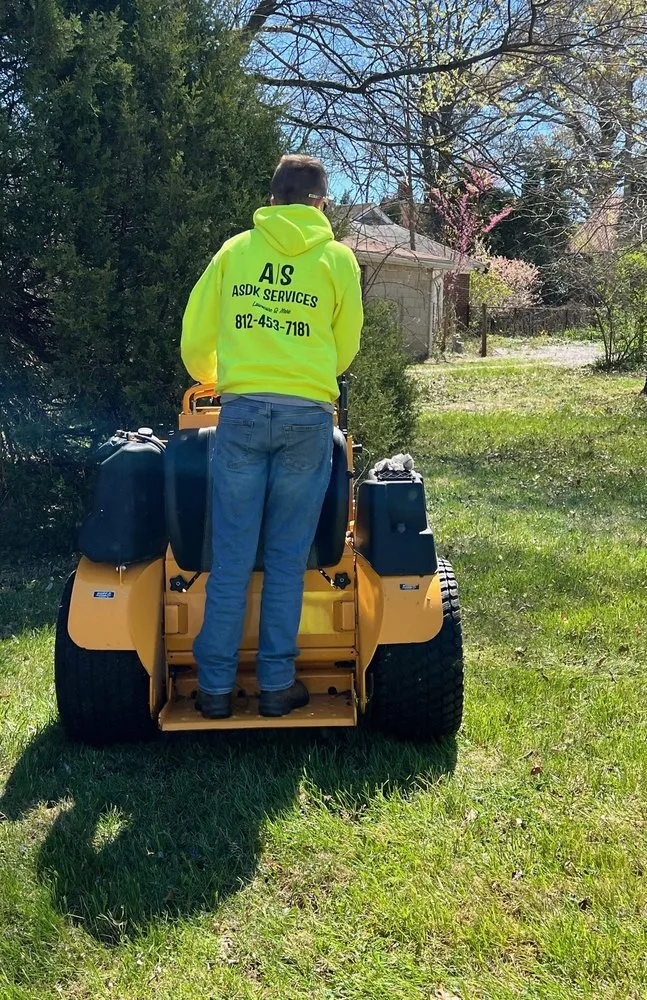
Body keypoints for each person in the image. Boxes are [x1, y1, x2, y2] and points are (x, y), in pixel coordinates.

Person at [181, 155, 363, 719]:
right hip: (307, 419)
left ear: (272, 196)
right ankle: (276, 686)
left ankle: (213, 691)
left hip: (237, 416)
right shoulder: (337, 259)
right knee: (287, 559)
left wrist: (220, 375)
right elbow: (346, 345)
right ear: (319, 202)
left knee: (232, 558)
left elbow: (195, 337)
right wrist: (306, 374)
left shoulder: (235, 252)